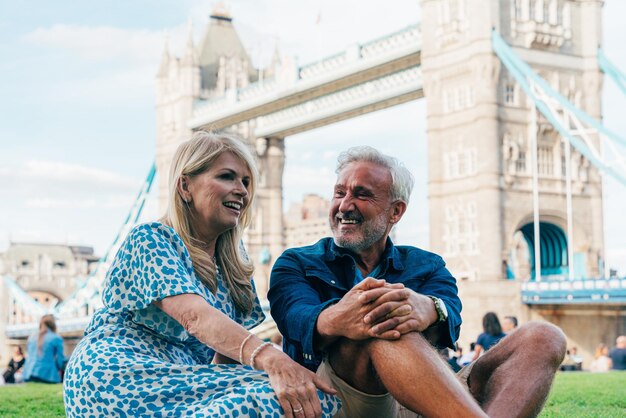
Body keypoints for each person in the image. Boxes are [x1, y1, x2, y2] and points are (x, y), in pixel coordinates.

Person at [269, 146, 567, 418]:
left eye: (361, 194)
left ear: (395, 211)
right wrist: (340, 317)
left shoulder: (427, 264)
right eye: (339, 193)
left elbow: (451, 316)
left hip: (431, 394)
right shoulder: (296, 262)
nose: (345, 205)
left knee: (543, 336)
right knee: (381, 316)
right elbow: (294, 319)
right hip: (341, 398)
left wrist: (429, 308)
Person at [64, 132, 340, 417]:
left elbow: (226, 357)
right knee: (274, 395)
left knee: (303, 394)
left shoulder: (235, 264)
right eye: (227, 177)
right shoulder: (151, 239)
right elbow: (194, 317)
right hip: (118, 372)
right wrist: (272, 359)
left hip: (184, 380)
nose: (242, 190)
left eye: (246, 182)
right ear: (185, 186)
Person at [22, 315, 65, 383]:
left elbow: (28, 354)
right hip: (48, 375)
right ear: (53, 324)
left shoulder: (31, 337)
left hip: (28, 373)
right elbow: (60, 361)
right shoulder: (56, 338)